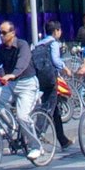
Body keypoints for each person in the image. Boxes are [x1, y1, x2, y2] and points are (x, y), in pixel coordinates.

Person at [25, 22, 71, 153]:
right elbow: (55, 60)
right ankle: (37, 137)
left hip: (40, 78)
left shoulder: (38, 44)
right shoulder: (54, 44)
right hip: (50, 79)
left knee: (53, 107)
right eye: (59, 30)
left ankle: (63, 140)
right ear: (56, 31)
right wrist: (65, 68)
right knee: (47, 108)